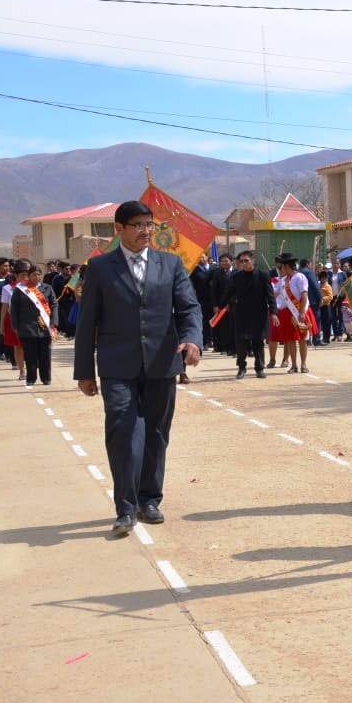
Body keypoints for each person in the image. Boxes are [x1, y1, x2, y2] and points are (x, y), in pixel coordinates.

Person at [74, 201, 202, 537]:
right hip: (118, 365)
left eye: (149, 224)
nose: (146, 231)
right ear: (119, 229)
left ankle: (149, 499)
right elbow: (88, 323)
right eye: (138, 225)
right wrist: (84, 370)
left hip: (161, 363)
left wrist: (192, 340)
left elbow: (189, 308)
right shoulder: (100, 268)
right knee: (123, 432)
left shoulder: (170, 264)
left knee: (157, 433)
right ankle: (125, 508)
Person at [219, 250, 277, 378]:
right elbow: (228, 293)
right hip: (241, 314)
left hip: (259, 314)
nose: (243, 263)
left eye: (246, 261)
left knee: (258, 342)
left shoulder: (263, 275)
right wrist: (220, 306)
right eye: (241, 261)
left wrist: (273, 312)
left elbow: (270, 295)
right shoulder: (236, 276)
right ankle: (241, 367)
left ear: (253, 261)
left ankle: (259, 368)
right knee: (241, 343)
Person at [10, 264, 58, 386]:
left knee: (45, 354)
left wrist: (53, 323)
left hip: (45, 326)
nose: (36, 277)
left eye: (38, 274)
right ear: (29, 276)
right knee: (30, 354)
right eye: (33, 274)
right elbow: (14, 308)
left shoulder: (48, 288)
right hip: (27, 326)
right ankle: (31, 378)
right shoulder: (20, 289)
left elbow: (54, 305)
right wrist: (15, 325)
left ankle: (46, 378)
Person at [271, 253, 315, 373]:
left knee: (302, 339)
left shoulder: (300, 277)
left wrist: (301, 313)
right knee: (290, 339)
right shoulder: (282, 280)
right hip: (287, 313)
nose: (281, 269)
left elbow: (304, 295)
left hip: (300, 310)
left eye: (282, 267)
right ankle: (294, 365)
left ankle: (303, 364)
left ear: (287, 267)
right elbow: (274, 294)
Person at [209, 254, 235, 356]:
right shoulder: (217, 273)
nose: (224, 263)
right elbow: (213, 290)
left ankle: (233, 348)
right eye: (222, 261)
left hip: (233, 304)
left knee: (233, 326)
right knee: (223, 327)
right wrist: (215, 305)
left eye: (226, 261)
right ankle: (224, 347)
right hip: (221, 306)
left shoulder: (237, 272)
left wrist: (231, 302)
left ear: (231, 261)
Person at [190, 253, 215, 352]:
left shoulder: (214, 269)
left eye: (202, 256)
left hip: (214, 300)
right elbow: (191, 285)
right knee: (203, 321)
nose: (201, 258)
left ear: (207, 257)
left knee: (214, 321)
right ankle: (204, 342)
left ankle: (214, 340)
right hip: (201, 299)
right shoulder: (195, 271)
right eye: (199, 257)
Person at [299, 258, 324, 346]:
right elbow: (315, 285)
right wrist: (320, 297)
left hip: (301, 300)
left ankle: (307, 339)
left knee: (305, 319)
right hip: (312, 299)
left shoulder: (298, 273)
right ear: (307, 264)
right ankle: (316, 339)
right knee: (316, 319)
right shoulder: (309, 272)